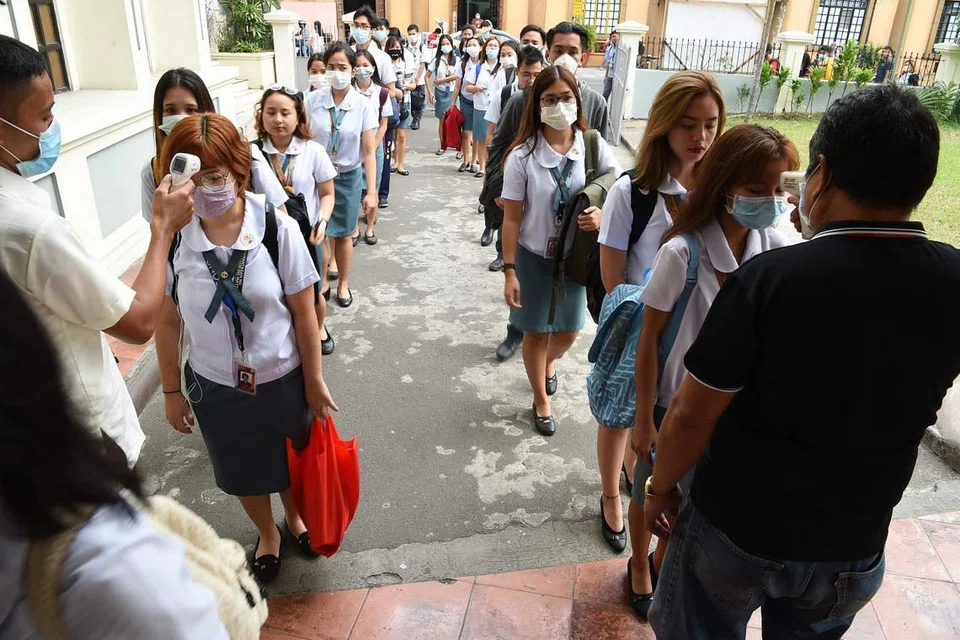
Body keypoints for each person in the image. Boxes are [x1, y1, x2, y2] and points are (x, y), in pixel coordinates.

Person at [643, 85, 954, 639]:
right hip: (854, 545)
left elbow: (691, 413)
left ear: (822, 173)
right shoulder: (952, 281)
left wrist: (660, 487)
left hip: (737, 532)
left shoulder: (769, 280)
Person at [155, 113, 338, 585]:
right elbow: (168, 319)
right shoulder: (174, 240)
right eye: (192, 178)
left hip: (283, 377)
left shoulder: (276, 228)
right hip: (215, 382)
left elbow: (304, 312)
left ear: (239, 173)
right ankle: (266, 533)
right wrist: (172, 392)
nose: (203, 188)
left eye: (215, 176)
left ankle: (294, 518)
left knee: (289, 460)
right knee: (240, 467)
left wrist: (314, 381)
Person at [0, 269, 228, 638]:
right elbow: (163, 320)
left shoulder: (118, 577)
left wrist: (161, 237)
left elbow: (140, 321)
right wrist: (171, 392)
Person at [0, 35, 194, 469]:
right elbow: (140, 320)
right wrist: (163, 229)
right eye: (44, 117)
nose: (52, 128)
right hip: (78, 442)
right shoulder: (29, 230)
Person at [627, 123, 796, 619]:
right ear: (724, 185)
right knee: (650, 490)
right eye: (757, 189)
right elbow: (649, 341)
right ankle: (639, 563)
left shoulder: (774, 246)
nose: (771, 200)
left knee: (689, 503)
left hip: (731, 411)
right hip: (671, 405)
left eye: (779, 188)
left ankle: (662, 563)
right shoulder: (682, 253)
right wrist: (643, 419)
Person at [596, 71, 724, 557]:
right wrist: (641, 332)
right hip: (642, 332)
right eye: (688, 124)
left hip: (698, 339)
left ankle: (642, 487)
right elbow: (613, 278)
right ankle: (612, 494)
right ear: (664, 124)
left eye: (710, 124)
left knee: (666, 428)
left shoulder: (721, 190)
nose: (700, 137)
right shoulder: (632, 192)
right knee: (621, 417)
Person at [501, 66, 622, 437]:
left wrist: (602, 214)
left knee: (568, 331)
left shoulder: (593, 146)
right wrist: (509, 270)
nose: (559, 106)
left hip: (575, 258)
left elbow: (620, 190)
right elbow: (511, 219)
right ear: (537, 105)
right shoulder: (522, 156)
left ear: (577, 100)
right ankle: (540, 398)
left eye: (566, 98)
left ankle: (544, 365)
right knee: (536, 333)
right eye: (550, 99)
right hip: (532, 258)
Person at [488, 21, 612, 362]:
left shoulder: (594, 104)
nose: (565, 56)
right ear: (548, 50)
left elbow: (604, 172)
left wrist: (599, 207)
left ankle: (544, 362)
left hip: (573, 241)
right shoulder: (523, 100)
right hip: (529, 226)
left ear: (584, 56)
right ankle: (517, 333)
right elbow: (500, 147)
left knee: (566, 327)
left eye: (573, 51)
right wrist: (496, 191)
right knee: (530, 319)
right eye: (559, 50)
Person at [140, 68, 288, 222]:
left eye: (190, 109)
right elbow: (157, 226)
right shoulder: (153, 171)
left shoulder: (244, 154)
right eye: (171, 110)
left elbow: (281, 216)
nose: (181, 118)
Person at [254, 85, 337, 355]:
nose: (278, 119)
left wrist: (322, 222)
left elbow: (327, 194)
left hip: (305, 236)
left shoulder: (313, 151)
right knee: (274, 292)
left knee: (312, 292)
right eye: (271, 112)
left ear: (298, 116)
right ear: (261, 115)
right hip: (265, 238)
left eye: (285, 113)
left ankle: (318, 328)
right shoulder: (251, 152)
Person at [305, 43, 379, 309]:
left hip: (347, 177)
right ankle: (323, 279)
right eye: (331, 67)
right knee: (319, 230)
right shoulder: (312, 101)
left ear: (352, 70)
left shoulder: (363, 105)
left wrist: (371, 192)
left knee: (344, 234)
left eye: (342, 67)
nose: (336, 73)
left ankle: (344, 283)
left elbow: (369, 151)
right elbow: (303, 138)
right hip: (316, 178)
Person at [478, 39, 523, 245]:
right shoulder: (503, 91)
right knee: (493, 192)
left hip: (521, 156)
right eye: (502, 55)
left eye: (509, 54)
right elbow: (491, 130)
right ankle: (489, 225)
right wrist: (489, 157)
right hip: (500, 152)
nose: (505, 59)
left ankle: (502, 249)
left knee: (511, 201)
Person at [353, 49, 392, 243]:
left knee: (373, 187)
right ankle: (353, 228)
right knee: (352, 188)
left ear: (373, 68)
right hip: (352, 146)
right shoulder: (348, 91)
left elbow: (384, 124)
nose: (362, 69)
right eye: (358, 66)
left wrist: (372, 146)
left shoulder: (382, 93)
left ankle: (369, 228)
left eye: (365, 65)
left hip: (374, 147)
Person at [464, 35, 501, 179]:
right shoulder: (478, 67)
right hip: (481, 107)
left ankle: (494, 166)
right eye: (490, 46)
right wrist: (476, 88)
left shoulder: (503, 67)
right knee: (481, 138)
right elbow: (467, 87)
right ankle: (482, 168)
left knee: (495, 139)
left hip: (498, 108)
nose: (492, 48)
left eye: (495, 46)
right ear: (485, 49)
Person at [350, 6, 397, 94]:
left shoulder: (382, 57)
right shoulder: (347, 53)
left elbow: (391, 91)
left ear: (373, 30)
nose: (359, 30)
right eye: (356, 25)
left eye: (364, 26)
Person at [453, 36, 483, 173]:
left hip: (480, 102)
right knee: (465, 132)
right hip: (466, 100)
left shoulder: (484, 64)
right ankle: (465, 160)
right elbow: (457, 86)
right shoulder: (463, 64)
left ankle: (474, 161)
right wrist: (452, 103)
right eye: (469, 45)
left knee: (477, 133)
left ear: (481, 47)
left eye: (474, 45)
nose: (472, 48)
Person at [386, 35, 414, 176]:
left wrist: (405, 86)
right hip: (389, 103)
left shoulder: (406, 64)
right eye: (392, 47)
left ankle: (400, 164)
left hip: (404, 102)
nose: (395, 50)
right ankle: (394, 161)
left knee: (401, 135)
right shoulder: (385, 65)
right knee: (392, 134)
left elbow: (414, 84)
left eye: (397, 47)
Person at [429, 34, 459, 156]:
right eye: (443, 44)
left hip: (453, 92)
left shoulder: (456, 60)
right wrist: (430, 92)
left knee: (455, 120)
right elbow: (427, 76)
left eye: (448, 44)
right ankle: (443, 145)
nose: (446, 46)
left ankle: (458, 146)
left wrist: (442, 80)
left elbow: (457, 76)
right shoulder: (436, 60)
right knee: (442, 120)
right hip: (441, 93)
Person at [405, 24, 427, 130]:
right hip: (409, 78)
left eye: (413, 34)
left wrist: (418, 78)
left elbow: (423, 63)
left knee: (419, 100)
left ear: (418, 34)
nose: (411, 36)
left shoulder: (422, 46)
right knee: (411, 100)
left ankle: (417, 120)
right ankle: (412, 118)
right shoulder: (406, 47)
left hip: (420, 78)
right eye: (409, 34)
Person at [602, 30, 619, 100]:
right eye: (611, 37)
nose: (612, 38)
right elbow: (608, 63)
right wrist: (605, 76)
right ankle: (603, 107)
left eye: (614, 36)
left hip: (617, 76)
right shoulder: (610, 49)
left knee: (616, 97)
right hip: (610, 75)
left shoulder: (621, 49)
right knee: (605, 94)